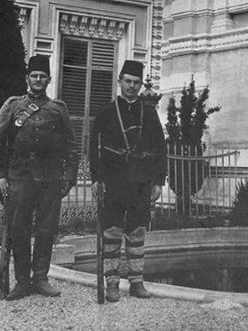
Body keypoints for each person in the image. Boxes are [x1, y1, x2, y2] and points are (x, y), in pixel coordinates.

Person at [88, 60, 167, 302]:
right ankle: (112, 283)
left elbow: (160, 148)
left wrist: (158, 182)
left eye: (136, 82)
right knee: (111, 232)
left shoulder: (150, 113)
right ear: (119, 82)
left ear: (140, 85)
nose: (131, 86)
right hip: (113, 181)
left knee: (137, 231)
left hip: (141, 182)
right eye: (127, 81)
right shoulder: (106, 112)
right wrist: (96, 179)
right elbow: (94, 148)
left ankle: (136, 282)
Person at [0, 55, 77, 300]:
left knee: (46, 229)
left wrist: (70, 177)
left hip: (50, 179)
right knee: (18, 230)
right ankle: (22, 282)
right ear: (27, 78)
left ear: (49, 80)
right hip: (20, 178)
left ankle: (41, 279)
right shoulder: (13, 106)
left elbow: (71, 146)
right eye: (34, 76)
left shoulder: (58, 109)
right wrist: (1, 175)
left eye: (42, 76)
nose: (38, 80)